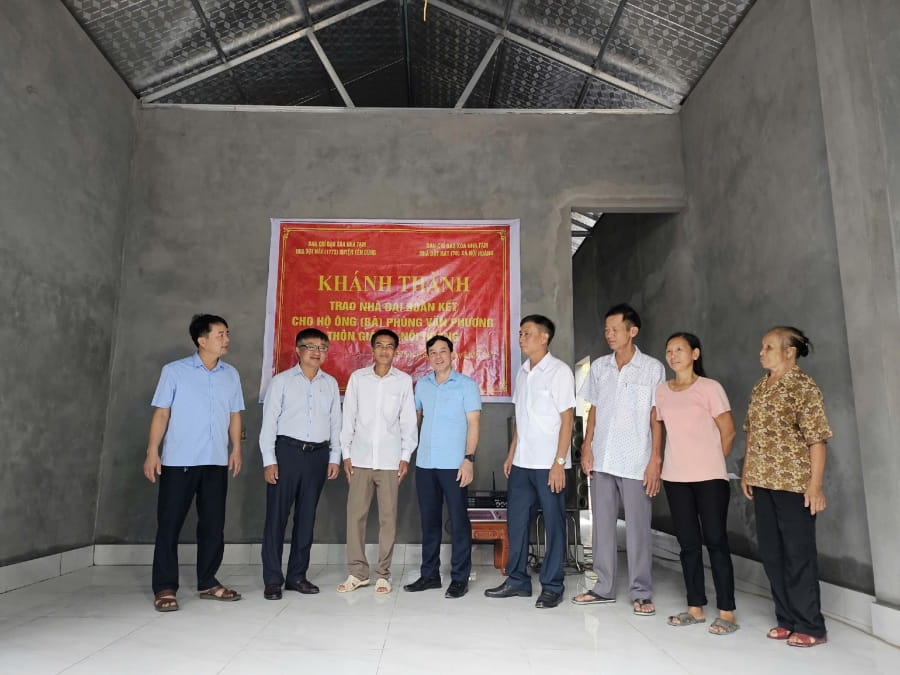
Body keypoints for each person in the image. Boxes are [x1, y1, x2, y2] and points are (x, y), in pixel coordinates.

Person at [143, 314, 244, 612]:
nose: (226, 339)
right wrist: (152, 451)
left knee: (213, 525)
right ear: (201, 340)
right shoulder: (174, 371)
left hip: (215, 461)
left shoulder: (231, 375)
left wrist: (236, 449)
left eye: (227, 333)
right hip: (179, 461)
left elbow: (235, 414)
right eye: (220, 334)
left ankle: (208, 581)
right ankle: (165, 587)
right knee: (169, 525)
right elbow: (161, 413)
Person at [742, 326, 832, 648]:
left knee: (798, 554)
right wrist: (747, 471)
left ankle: (811, 626)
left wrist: (815, 486)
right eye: (762, 347)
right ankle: (787, 619)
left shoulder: (803, 387)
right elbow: (751, 431)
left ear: (789, 352)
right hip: (762, 481)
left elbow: (817, 439)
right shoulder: (760, 386)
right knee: (772, 553)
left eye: (768, 347)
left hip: (794, 485)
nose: (761, 352)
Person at [572, 303, 664, 616]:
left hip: (636, 458)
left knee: (638, 529)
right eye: (606, 330)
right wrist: (587, 447)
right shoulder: (600, 367)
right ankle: (603, 587)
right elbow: (594, 410)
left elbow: (656, 416)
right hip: (602, 457)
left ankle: (641, 591)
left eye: (615, 329)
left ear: (632, 331)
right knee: (602, 527)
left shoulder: (652, 368)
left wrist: (655, 459)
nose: (609, 334)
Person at [484, 315, 575, 609]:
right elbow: (520, 420)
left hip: (549, 464)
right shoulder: (523, 373)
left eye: (527, 333)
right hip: (523, 463)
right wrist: (512, 453)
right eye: (520, 333)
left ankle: (552, 585)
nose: (521, 338)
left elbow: (567, 419)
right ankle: (517, 580)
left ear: (544, 337)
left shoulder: (559, 372)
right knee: (517, 523)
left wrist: (559, 462)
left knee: (553, 524)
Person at [655, 333, 738, 634]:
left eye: (679, 349)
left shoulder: (710, 388)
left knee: (715, 541)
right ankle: (695, 607)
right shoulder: (662, 391)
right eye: (669, 351)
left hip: (709, 477)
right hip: (675, 478)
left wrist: (710, 460)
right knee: (688, 544)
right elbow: (662, 428)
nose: (673, 355)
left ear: (695, 354)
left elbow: (728, 431)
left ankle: (727, 612)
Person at [259, 328, 341, 600]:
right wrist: (269, 461)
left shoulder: (330, 384)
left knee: (306, 518)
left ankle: (297, 575)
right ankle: (273, 579)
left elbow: (336, 422)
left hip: (317, 456)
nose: (317, 352)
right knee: (277, 518)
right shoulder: (281, 382)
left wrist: (334, 457)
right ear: (298, 350)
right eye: (311, 346)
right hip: (287, 453)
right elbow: (269, 424)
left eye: (322, 348)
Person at [338, 328, 417, 595]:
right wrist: (346, 454)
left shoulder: (403, 381)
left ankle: (383, 574)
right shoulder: (358, 379)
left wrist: (405, 457)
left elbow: (408, 422)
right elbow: (348, 417)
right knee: (355, 518)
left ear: (396, 351)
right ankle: (357, 573)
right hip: (359, 459)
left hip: (390, 460)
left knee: (388, 519)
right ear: (372, 349)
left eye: (389, 346)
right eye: (380, 345)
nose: (384, 350)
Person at [405, 335, 482, 599]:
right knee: (429, 522)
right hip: (425, 463)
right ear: (428, 357)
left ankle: (460, 578)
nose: (438, 356)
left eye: (442, 351)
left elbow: (474, 424)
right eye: (433, 353)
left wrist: (469, 460)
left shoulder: (466, 385)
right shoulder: (422, 385)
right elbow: (414, 421)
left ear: (452, 354)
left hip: (455, 465)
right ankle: (429, 575)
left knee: (459, 521)